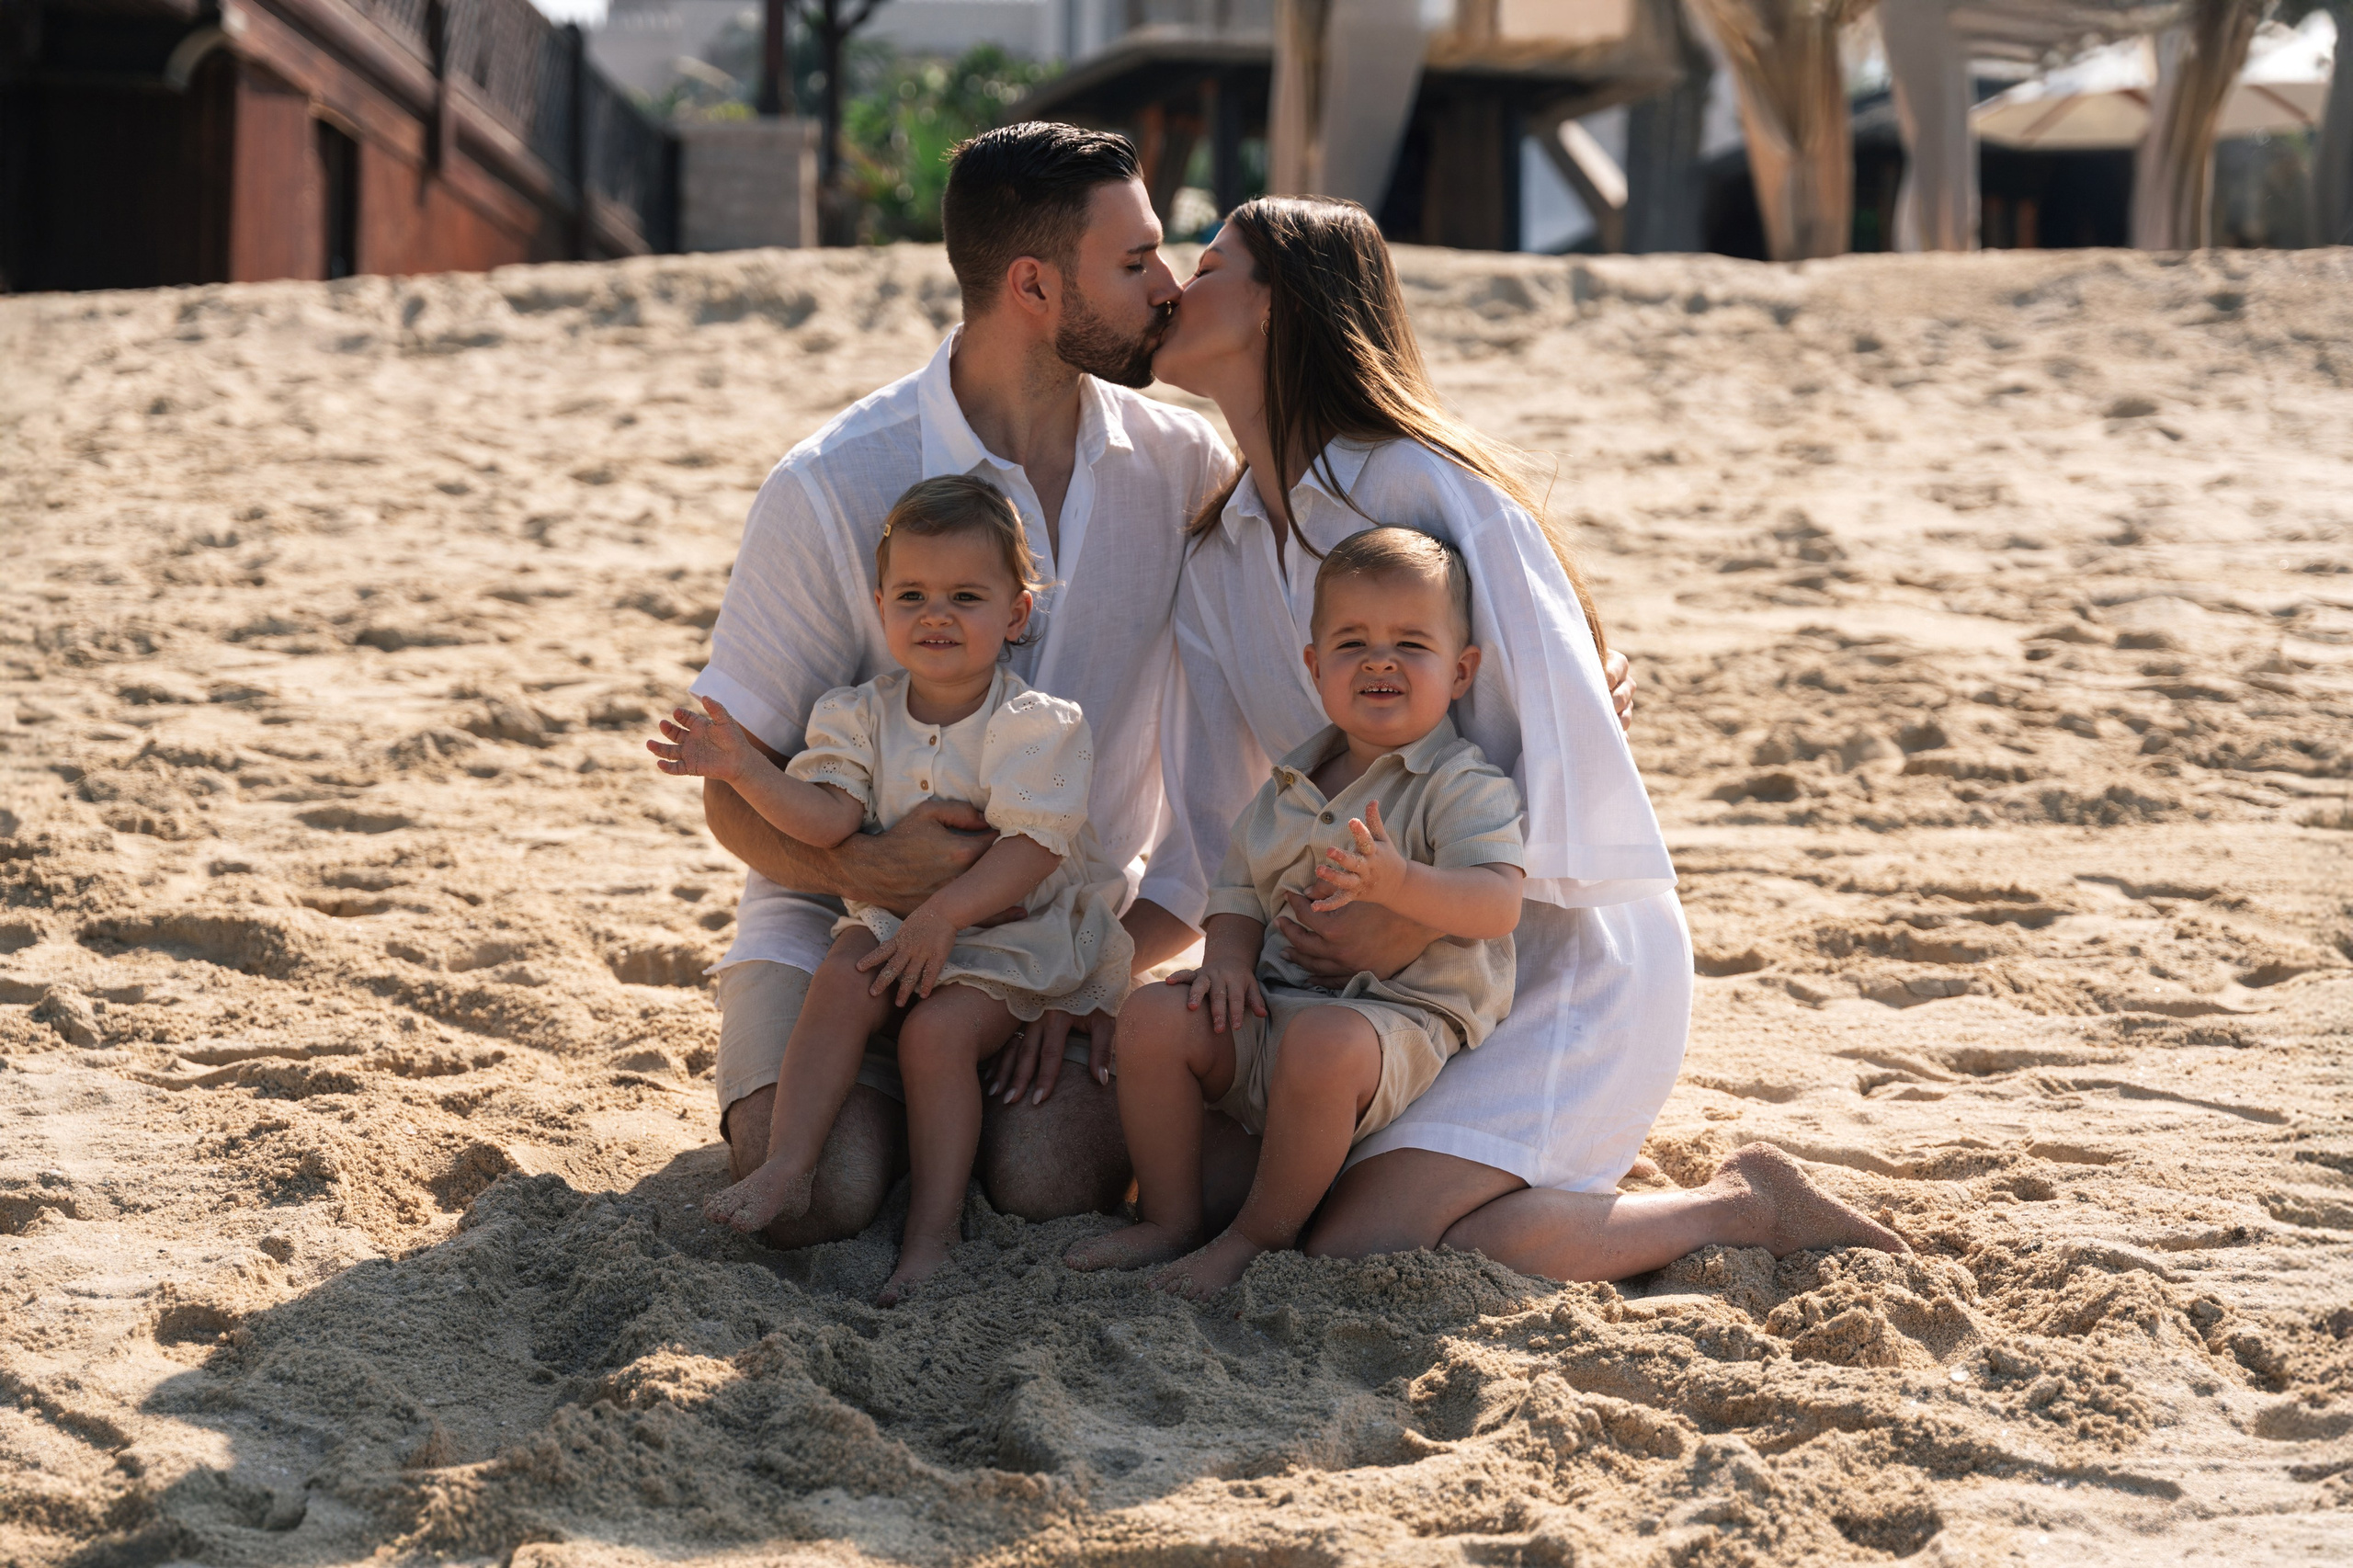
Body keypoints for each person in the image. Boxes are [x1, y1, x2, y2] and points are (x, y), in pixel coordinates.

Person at [691, 120, 1637, 1256]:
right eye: (1136, 261)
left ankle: (960, 1112)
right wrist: (867, 868)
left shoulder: (1184, 471)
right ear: (1035, 286)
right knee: (825, 1195)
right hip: (838, 931)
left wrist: (1577, 656)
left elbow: (1398, 555)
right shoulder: (832, 481)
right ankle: (871, 1109)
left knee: (1052, 1178)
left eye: (1173, 258)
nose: (1168, 286)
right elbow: (727, 789)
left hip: (1056, 949)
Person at [1144, 195, 1907, 1283]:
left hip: (1546, 949)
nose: (1177, 286)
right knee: (1247, 1194)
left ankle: (1741, 1203)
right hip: (1352, 982)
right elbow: (1218, 824)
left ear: (1277, 307)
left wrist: (1414, 919)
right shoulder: (1215, 552)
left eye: (1208, 264)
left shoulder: (1417, 483)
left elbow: (1570, 737)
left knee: (1358, 1247)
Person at [652, 477, 1131, 1301]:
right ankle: (791, 1165)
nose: (936, 614)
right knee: (843, 972)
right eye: (912, 595)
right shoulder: (861, 715)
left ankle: (932, 1230)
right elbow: (827, 821)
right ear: (881, 608)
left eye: (965, 597)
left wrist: (944, 914)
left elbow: (1034, 850)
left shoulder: (1036, 724)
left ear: (1015, 615)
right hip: (901, 919)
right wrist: (744, 770)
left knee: (935, 1035)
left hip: (1011, 935)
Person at [1070, 528, 1527, 1296]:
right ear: (1315, 668)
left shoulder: (1459, 783)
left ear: (1461, 672)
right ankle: (1169, 1219)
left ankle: (1256, 1238)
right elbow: (1237, 892)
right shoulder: (1291, 782)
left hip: (1392, 1022)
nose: (1379, 661)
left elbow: (1498, 901)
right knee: (1150, 1017)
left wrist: (1399, 883)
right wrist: (1225, 962)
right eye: (1353, 644)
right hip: (1273, 1006)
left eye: (1411, 644)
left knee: (1322, 1043)